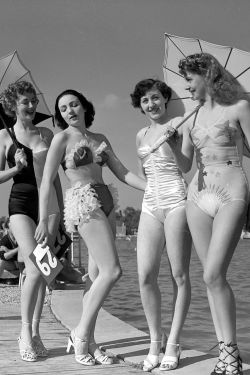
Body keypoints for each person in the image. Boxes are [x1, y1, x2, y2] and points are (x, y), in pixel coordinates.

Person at [34, 89, 146, 367]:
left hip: (107, 199)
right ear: (60, 115)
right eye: (63, 108)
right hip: (83, 200)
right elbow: (46, 182)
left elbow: (122, 172)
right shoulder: (61, 139)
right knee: (113, 271)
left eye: (74, 104)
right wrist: (42, 219)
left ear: (84, 106)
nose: (69, 110)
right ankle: (80, 333)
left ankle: (91, 342)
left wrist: (153, 186)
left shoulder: (100, 139)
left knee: (95, 275)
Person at [166, 53, 250, 375]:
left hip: (232, 190)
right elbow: (186, 165)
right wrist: (175, 145)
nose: (186, 86)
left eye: (189, 79)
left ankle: (230, 354)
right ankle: (227, 357)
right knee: (209, 278)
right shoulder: (191, 117)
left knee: (213, 274)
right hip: (198, 196)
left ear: (207, 74)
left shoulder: (239, 108)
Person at [130, 78, 192, 371]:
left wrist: (176, 144)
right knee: (145, 275)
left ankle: (174, 343)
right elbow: (145, 170)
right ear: (140, 105)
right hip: (150, 203)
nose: (151, 104)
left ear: (165, 99)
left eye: (155, 98)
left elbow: (186, 166)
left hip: (177, 200)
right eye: (144, 100)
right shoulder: (141, 134)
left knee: (178, 275)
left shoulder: (181, 123)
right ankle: (156, 340)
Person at [0, 81, 63, 362]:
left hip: (46, 208)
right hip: (20, 206)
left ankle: (35, 332)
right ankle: (25, 332)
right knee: (36, 268)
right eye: (25, 101)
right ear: (13, 105)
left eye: (33, 101)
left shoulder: (46, 133)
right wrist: (16, 166)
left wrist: (58, 214)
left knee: (45, 273)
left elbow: (55, 178)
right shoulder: (4, 136)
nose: (30, 106)